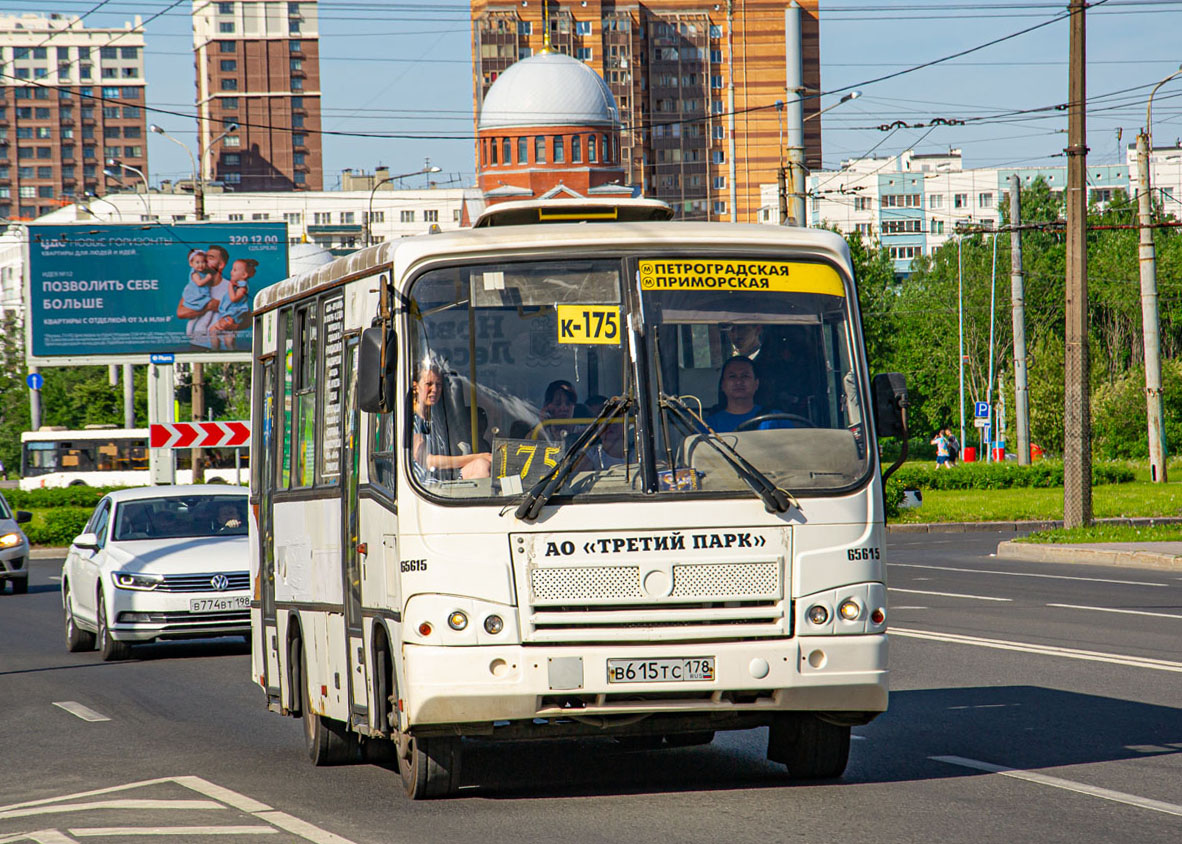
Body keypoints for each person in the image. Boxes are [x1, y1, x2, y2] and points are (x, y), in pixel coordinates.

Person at [411, 358, 491, 482]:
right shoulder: (411, 419)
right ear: (415, 386)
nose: (435, 389)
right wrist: (477, 456)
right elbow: (427, 460)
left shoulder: (434, 419)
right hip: (422, 489)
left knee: (482, 466)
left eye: (438, 385)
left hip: (443, 481)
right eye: (429, 384)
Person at [702, 357, 793, 433]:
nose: (738, 382)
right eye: (732, 376)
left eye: (745, 376)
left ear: (756, 384)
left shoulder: (776, 419)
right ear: (723, 385)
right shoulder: (709, 425)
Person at [210, 258, 256, 350]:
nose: (231, 272)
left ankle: (215, 350)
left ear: (244, 275)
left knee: (213, 330)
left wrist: (230, 286)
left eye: (235, 270)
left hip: (232, 315)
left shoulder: (242, 288)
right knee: (228, 337)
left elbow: (234, 299)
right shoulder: (238, 285)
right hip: (230, 314)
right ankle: (229, 351)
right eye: (232, 269)